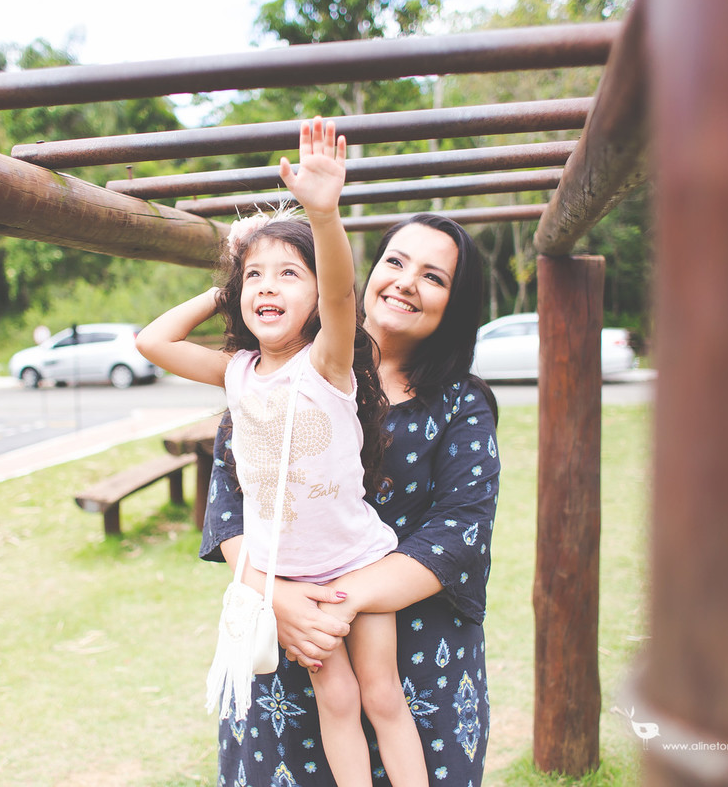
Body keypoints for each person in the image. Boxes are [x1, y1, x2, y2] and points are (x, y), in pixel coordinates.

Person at [136, 117, 429, 787]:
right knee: (338, 699)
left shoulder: (325, 363)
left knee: (381, 694)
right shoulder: (237, 369)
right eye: (256, 277)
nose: (268, 286)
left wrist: (322, 216)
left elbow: (341, 291)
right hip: (289, 577)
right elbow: (152, 341)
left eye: (287, 275)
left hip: (357, 558)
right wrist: (227, 279)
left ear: (316, 298)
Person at [200, 211, 501, 786]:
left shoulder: (461, 406)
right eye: (394, 261)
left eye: (434, 277)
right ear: (366, 275)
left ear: (454, 306)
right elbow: (228, 511)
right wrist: (285, 603)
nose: (407, 281)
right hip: (294, 648)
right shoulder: (275, 380)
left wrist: (333, 604)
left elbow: (459, 534)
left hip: (412, 662)